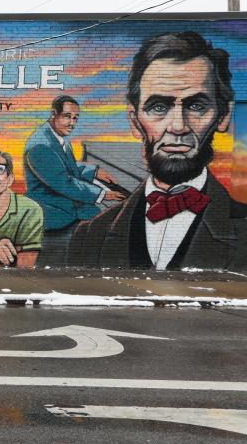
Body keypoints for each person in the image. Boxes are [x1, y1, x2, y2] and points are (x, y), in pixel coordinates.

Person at [69, 31, 247, 270]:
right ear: (134, 121)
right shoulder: (89, 237)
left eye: (196, 105)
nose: (178, 126)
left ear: (223, 116)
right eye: (158, 107)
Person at [23, 95, 124, 263]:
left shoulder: (57, 136)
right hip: (54, 210)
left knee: (103, 220)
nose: (72, 123)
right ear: (53, 114)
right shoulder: (40, 146)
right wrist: (102, 195)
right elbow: (64, 182)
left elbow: (67, 166)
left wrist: (94, 171)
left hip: (63, 200)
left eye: (75, 118)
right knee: (103, 222)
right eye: (67, 116)